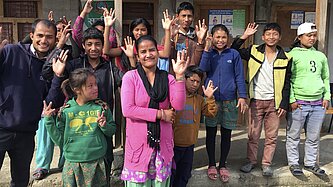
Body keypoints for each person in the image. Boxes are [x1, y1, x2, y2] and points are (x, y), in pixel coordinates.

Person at [51, 26, 123, 185]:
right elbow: (47, 74)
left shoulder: (110, 68)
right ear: (83, 45)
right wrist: (58, 52)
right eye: (89, 44)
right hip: (78, 130)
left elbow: (127, 80)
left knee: (104, 169)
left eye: (98, 44)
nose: (94, 48)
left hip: (102, 126)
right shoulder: (75, 64)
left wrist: (131, 60)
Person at [0, 19, 64, 186]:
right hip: (1, 127)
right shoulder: (10, 52)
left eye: (49, 37)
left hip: (26, 134)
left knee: (21, 180)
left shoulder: (52, 64)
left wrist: (57, 76)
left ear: (55, 39)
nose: (44, 40)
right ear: (31, 36)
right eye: (40, 36)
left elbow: (50, 101)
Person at [120, 35, 188, 186]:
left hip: (162, 148)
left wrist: (180, 76)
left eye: (152, 50)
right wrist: (161, 114)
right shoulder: (130, 78)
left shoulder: (168, 78)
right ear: (137, 56)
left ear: (158, 52)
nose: (148, 54)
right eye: (143, 51)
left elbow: (178, 105)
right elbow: (128, 110)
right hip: (138, 148)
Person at [231, 23, 292, 176]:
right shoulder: (253, 51)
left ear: (280, 37)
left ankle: (266, 164)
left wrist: (284, 103)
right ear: (263, 37)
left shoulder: (286, 57)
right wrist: (244, 36)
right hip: (256, 100)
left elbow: (287, 83)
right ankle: (251, 161)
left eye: (275, 34)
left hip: (274, 102)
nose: (271, 37)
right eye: (268, 34)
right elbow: (233, 51)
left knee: (272, 136)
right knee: (253, 135)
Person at [44, 68, 116, 186]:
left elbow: (112, 130)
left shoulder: (101, 107)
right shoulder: (65, 111)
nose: (95, 88)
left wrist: (105, 126)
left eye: (95, 84)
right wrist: (48, 121)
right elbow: (60, 140)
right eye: (90, 86)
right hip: (73, 163)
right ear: (76, 89)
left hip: (96, 163)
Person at [199, 24, 247, 182]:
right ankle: (212, 164)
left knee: (227, 134)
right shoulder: (209, 53)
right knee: (211, 133)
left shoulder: (233, 54)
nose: (220, 40)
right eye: (217, 37)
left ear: (228, 38)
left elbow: (239, 76)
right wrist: (206, 49)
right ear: (211, 37)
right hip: (211, 99)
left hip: (229, 100)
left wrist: (242, 96)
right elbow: (202, 69)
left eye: (223, 37)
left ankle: (223, 165)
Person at [286, 22, 329, 176]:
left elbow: (325, 77)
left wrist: (327, 96)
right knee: (294, 136)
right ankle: (294, 163)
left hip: (318, 103)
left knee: (313, 136)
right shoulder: (292, 55)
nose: (312, 38)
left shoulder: (320, 56)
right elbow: (287, 80)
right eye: (308, 35)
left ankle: (310, 163)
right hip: (299, 103)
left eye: (314, 35)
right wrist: (291, 99)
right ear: (299, 37)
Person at [171, 65, 218, 187]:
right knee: (171, 175)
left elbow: (211, 113)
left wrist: (210, 98)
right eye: (192, 80)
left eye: (198, 82)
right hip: (173, 146)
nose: (195, 84)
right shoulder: (174, 96)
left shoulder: (199, 99)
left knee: (184, 175)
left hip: (189, 146)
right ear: (185, 79)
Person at [103, 12, 173, 72]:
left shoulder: (152, 48)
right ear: (132, 32)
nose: (139, 33)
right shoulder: (126, 48)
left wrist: (167, 30)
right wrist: (107, 27)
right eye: (136, 30)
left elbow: (165, 54)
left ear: (147, 31)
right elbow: (107, 51)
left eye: (143, 30)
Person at [168, 1, 207, 74]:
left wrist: (200, 42)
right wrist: (170, 38)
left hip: (192, 78)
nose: (186, 19)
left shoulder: (197, 35)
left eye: (189, 16)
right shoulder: (171, 34)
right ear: (177, 16)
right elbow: (167, 56)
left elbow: (197, 62)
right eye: (183, 16)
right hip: (175, 76)